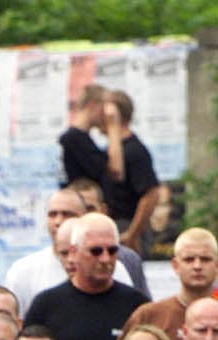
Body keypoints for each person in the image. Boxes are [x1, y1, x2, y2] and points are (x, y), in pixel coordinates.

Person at [22, 213, 147, 340]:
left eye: (112, 251)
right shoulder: (46, 305)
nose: (105, 258)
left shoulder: (136, 305)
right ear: (73, 252)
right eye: (96, 251)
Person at [60, 86, 163, 246]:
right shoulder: (93, 145)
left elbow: (151, 193)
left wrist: (132, 233)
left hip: (125, 226)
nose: (103, 117)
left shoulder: (134, 150)